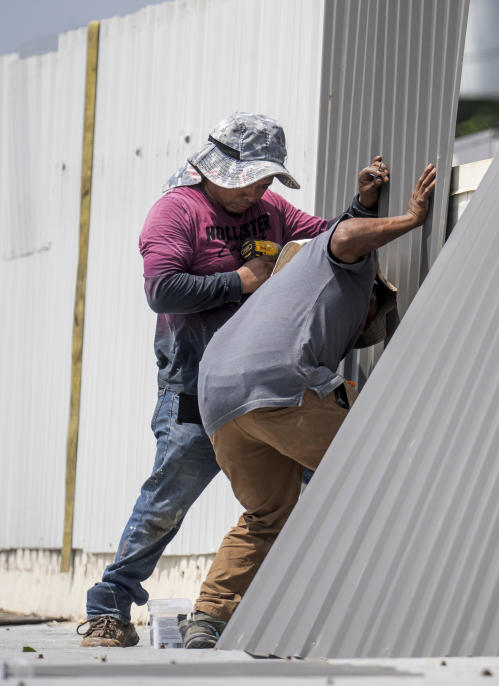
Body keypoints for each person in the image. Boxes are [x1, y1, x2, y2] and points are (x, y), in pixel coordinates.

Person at [78, 112, 387, 647]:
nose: (263, 190)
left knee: (323, 490)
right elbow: (162, 290)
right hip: (195, 390)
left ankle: (303, 612)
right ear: (221, 167)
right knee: (165, 505)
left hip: (269, 391)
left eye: (270, 180)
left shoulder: (270, 208)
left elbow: (327, 242)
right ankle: (109, 608)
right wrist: (238, 282)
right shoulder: (176, 213)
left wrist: (362, 208)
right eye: (257, 178)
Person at [176, 162, 437, 648]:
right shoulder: (346, 266)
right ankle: (394, 609)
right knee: (382, 463)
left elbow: (347, 225)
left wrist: (365, 201)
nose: (361, 334)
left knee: (266, 516)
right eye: (370, 324)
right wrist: (408, 221)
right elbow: (345, 237)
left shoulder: (289, 285)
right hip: (276, 382)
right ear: (373, 303)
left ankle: (207, 618)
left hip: (218, 399)